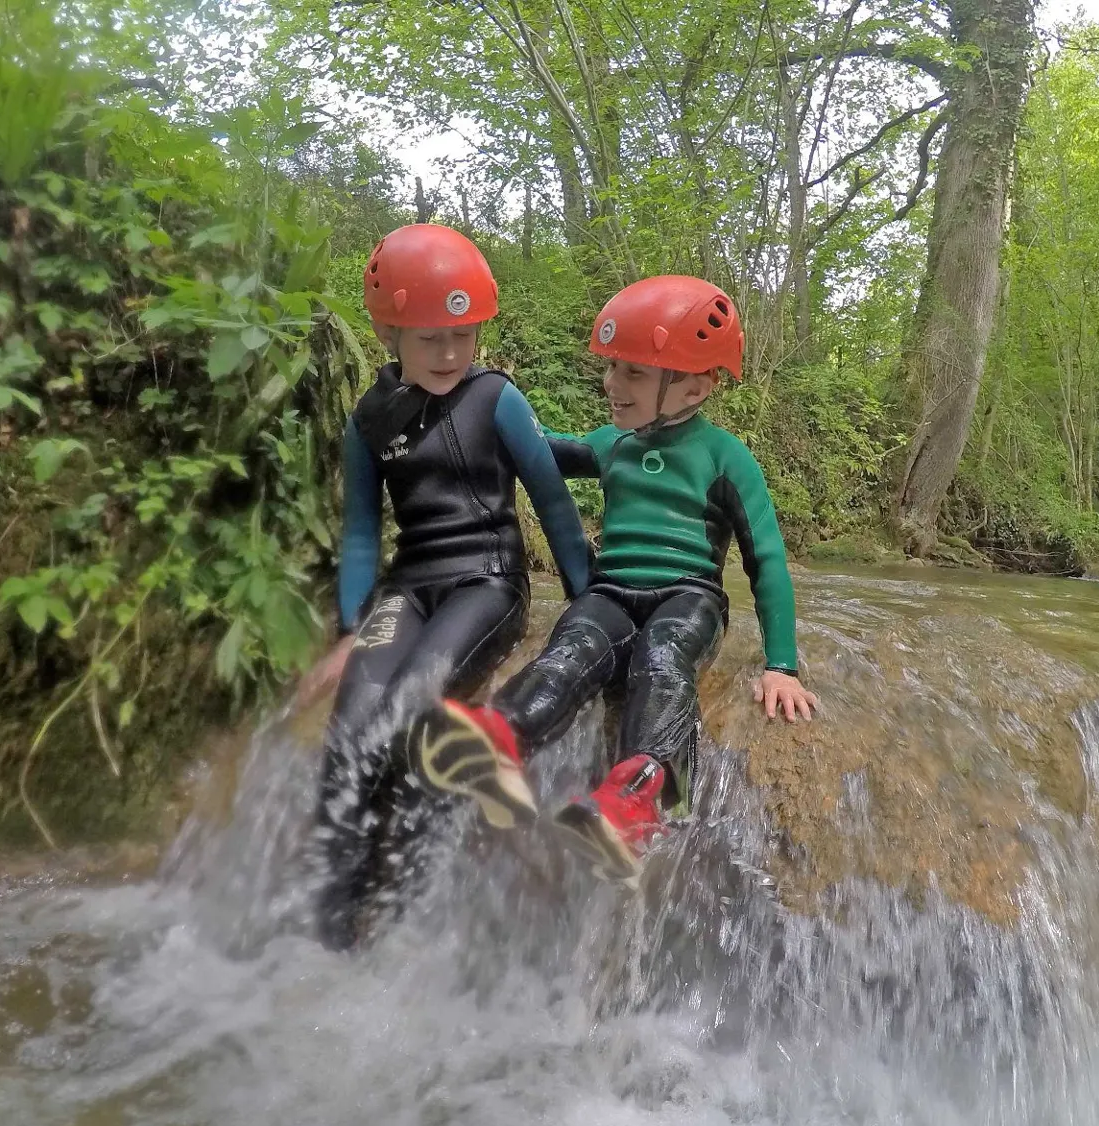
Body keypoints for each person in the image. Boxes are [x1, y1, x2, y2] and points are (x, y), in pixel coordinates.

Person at [411, 274, 817, 883]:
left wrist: (780, 664)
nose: (610, 383)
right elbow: (539, 449)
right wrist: (475, 407)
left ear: (693, 384)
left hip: (690, 596)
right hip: (610, 592)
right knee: (572, 645)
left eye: (631, 372)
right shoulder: (613, 443)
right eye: (612, 368)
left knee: (661, 658)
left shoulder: (726, 458)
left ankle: (640, 796)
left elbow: (768, 562)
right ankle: (501, 735)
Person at [306, 223, 593, 949]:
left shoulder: (497, 398)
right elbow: (364, 532)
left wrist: (588, 602)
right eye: (431, 337)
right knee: (349, 736)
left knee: (407, 713)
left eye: (463, 336)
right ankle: (328, 928)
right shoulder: (371, 421)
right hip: (408, 589)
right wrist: (351, 628)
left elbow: (553, 503)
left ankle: (396, 920)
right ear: (389, 330)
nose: (449, 354)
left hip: (487, 583)